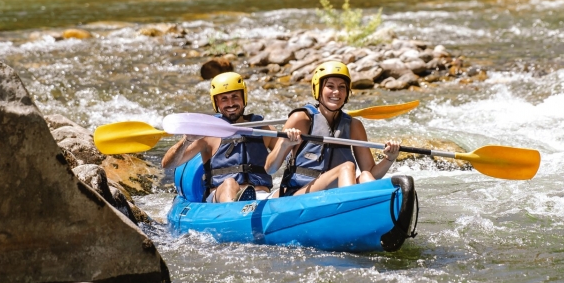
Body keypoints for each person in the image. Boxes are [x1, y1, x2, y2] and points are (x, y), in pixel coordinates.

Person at [266, 61, 400, 196]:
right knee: (347, 167)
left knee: (365, 175)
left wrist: (389, 158)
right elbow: (270, 169)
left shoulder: (354, 126)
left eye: (342, 87)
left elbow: (372, 174)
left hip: (334, 195)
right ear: (318, 89)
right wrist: (284, 145)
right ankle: (350, 211)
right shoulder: (301, 119)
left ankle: (372, 211)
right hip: (299, 195)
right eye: (330, 86)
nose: (336, 92)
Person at [162, 72, 276, 202]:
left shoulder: (264, 130)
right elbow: (168, 164)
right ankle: (235, 211)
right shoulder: (207, 134)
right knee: (229, 184)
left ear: (243, 97)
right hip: (221, 197)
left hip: (260, 196)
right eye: (224, 99)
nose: (231, 103)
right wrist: (186, 141)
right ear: (216, 102)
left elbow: (292, 155)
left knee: (280, 194)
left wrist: (291, 139)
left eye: (235, 97)